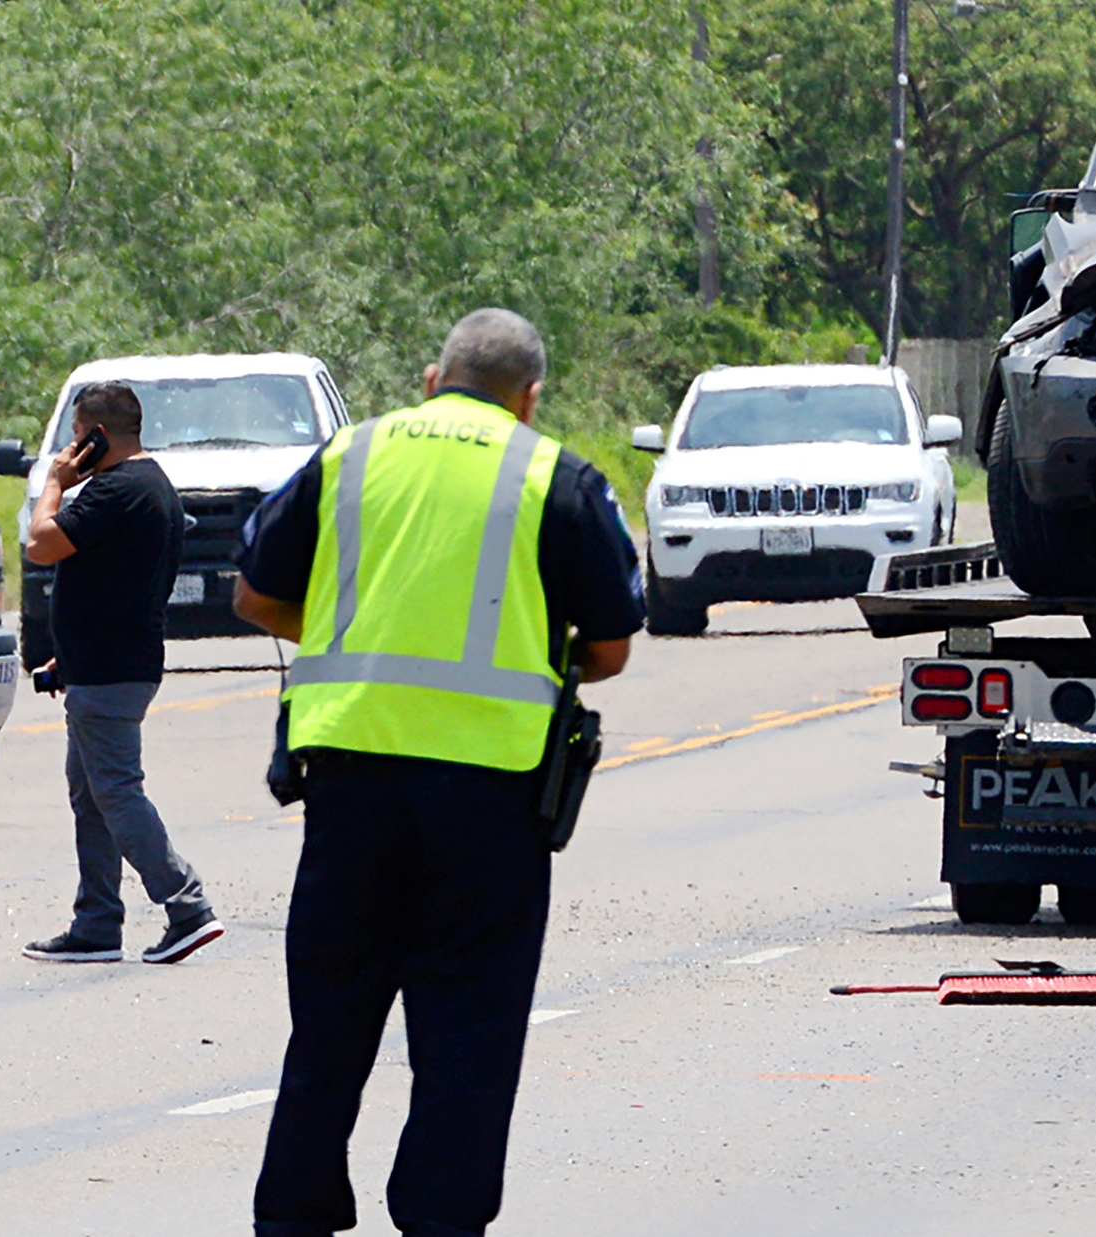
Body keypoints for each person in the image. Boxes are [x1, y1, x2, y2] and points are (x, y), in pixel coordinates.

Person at [233, 308, 644, 1236]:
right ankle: (441, 1218)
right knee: (469, 1029)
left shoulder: (350, 456)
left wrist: (365, 641)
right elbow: (611, 647)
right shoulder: (555, 476)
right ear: (530, 396)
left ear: (432, 378)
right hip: (489, 797)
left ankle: (292, 1215)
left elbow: (256, 591)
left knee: (330, 1018)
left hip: (349, 783)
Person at [20, 381, 224, 966]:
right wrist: (73, 652)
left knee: (115, 791)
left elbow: (40, 543)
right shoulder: (148, 485)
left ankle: (187, 907)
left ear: (96, 436)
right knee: (91, 795)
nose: (70, 449)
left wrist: (56, 484)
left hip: (112, 672)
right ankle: (97, 924)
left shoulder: (117, 488)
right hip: (106, 662)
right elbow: (118, 585)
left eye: (76, 438)